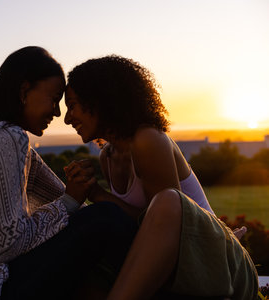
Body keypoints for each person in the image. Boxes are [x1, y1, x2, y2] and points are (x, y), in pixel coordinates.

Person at [0, 47, 138, 300]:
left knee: (100, 221)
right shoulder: (5, 137)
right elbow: (5, 245)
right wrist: (72, 200)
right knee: (107, 218)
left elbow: (65, 204)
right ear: (24, 91)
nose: (58, 113)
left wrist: (77, 193)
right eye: (55, 99)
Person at [64, 55, 259, 299]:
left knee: (167, 200)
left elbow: (168, 225)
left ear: (100, 100)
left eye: (72, 105)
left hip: (215, 263)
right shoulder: (108, 157)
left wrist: (99, 195)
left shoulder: (148, 140)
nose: (67, 118)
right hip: (176, 273)